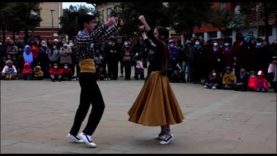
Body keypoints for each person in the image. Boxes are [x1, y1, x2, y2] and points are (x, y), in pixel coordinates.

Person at [66, 14, 124, 148]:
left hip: (88, 75)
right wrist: (105, 25)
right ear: (85, 24)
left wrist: (116, 26)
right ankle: (86, 133)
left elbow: (101, 36)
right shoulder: (80, 36)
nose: (94, 25)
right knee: (99, 105)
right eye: (92, 23)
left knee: (84, 106)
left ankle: (73, 133)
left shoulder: (88, 36)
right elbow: (94, 36)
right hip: (86, 75)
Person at [128, 15, 184, 145]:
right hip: (154, 78)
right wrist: (142, 33)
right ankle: (163, 131)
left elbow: (151, 39)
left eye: (156, 33)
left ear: (162, 36)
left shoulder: (162, 46)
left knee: (161, 105)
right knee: (158, 105)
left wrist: (144, 21)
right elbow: (148, 43)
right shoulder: (158, 46)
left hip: (159, 78)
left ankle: (168, 132)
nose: (153, 34)